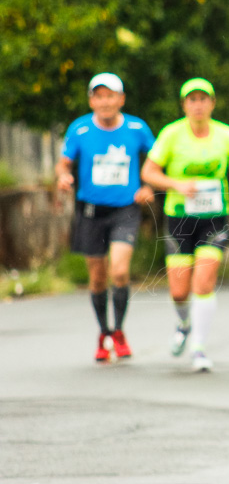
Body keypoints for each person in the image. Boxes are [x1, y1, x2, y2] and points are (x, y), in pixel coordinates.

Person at [142, 78, 229, 372]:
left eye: (204, 99)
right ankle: (183, 322)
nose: (198, 105)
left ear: (212, 104)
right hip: (179, 216)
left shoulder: (226, 135)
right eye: (192, 100)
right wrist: (176, 183)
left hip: (215, 218)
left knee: (203, 282)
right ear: (184, 105)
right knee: (179, 290)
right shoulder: (172, 134)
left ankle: (199, 348)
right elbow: (149, 172)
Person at [55, 73, 156, 362]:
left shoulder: (137, 128)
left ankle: (119, 330)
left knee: (120, 271)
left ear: (121, 99)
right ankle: (104, 332)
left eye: (111, 95)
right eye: (99, 96)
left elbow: (156, 159)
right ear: (92, 100)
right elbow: (63, 165)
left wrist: (148, 185)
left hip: (125, 209)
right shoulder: (80, 129)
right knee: (97, 278)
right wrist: (63, 178)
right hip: (90, 212)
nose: (105, 101)